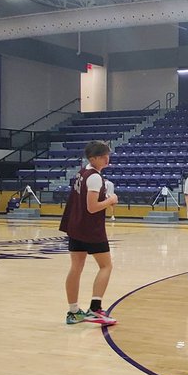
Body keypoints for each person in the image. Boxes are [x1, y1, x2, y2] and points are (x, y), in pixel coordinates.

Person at [60, 140, 119, 326]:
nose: (107, 158)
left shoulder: (81, 173)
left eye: (107, 155)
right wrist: (111, 200)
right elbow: (92, 207)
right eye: (103, 156)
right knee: (106, 266)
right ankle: (95, 309)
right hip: (90, 229)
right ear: (93, 158)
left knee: (76, 268)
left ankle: (73, 311)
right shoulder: (94, 177)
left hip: (75, 226)